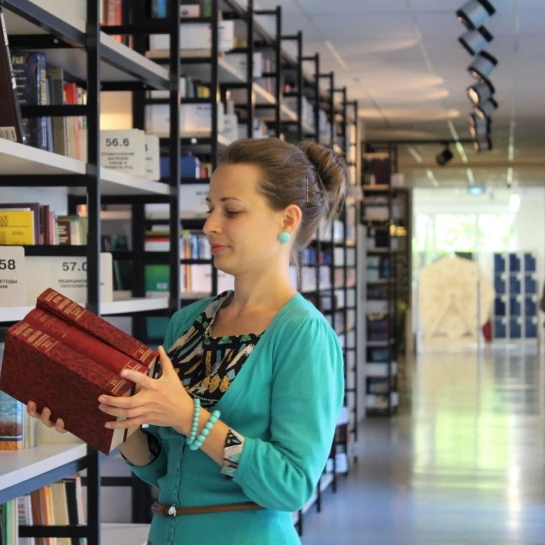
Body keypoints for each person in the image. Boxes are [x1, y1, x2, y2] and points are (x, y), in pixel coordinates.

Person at [27, 137, 346, 545]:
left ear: (286, 221)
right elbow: (161, 468)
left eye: (231, 211)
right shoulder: (188, 323)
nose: (210, 225)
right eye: (210, 209)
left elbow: (291, 486)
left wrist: (188, 417)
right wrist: (105, 416)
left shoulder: (303, 335)